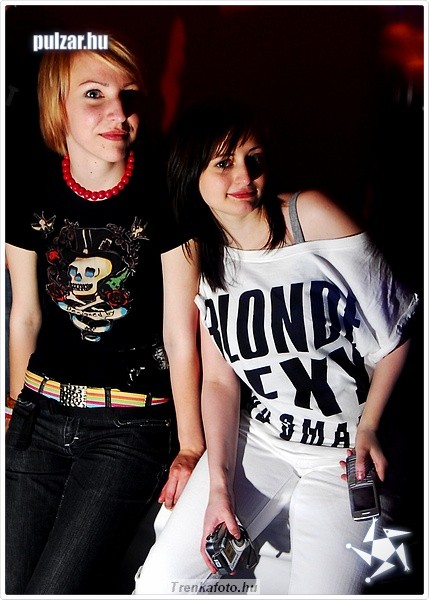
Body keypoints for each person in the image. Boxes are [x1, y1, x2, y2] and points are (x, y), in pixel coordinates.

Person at [134, 100, 419, 595]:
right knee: (161, 582)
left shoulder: (309, 216)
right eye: (223, 163)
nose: (244, 176)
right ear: (191, 174)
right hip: (264, 439)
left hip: (345, 451)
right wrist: (218, 486)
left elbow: (398, 330)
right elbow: (220, 381)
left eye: (254, 159)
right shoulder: (205, 254)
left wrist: (370, 426)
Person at [5, 35, 203, 595]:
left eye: (128, 96)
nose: (118, 112)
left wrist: (190, 446)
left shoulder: (168, 194)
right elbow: (25, 316)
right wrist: (15, 406)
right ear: (57, 107)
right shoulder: (25, 190)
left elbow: (180, 334)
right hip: (39, 416)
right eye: (94, 94)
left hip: (128, 428)